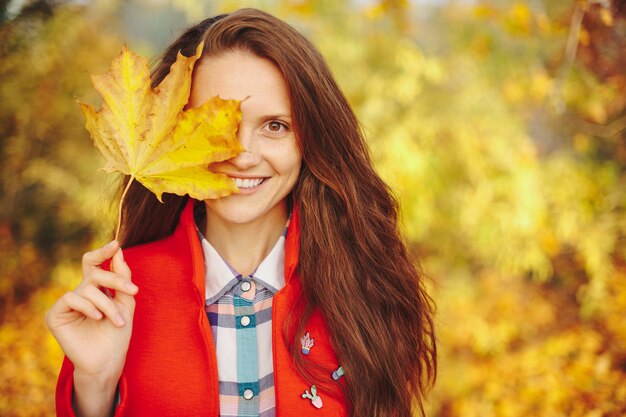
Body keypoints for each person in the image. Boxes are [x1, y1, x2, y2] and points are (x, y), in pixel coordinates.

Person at [45, 8, 436, 417]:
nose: (243, 156)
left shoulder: (362, 285)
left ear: (310, 141)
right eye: (217, 124)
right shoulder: (123, 293)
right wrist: (95, 385)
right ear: (171, 137)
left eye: (275, 126)